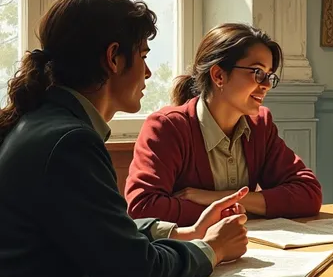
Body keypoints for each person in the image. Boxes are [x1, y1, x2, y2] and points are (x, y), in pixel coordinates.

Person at [0, 0, 249, 277]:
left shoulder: (40, 123)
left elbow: (98, 229)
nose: (148, 73)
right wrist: (213, 249)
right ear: (114, 58)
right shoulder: (70, 143)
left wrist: (180, 233)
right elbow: (138, 276)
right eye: (143, 55)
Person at [124, 23, 322, 226]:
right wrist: (234, 211)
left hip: (250, 248)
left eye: (269, 75)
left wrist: (219, 198)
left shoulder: (260, 125)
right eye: (257, 72)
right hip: (190, 254)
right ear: (219, 75)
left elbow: (309, 193)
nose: (267, 85)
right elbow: (143, 208)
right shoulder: (167, 127)